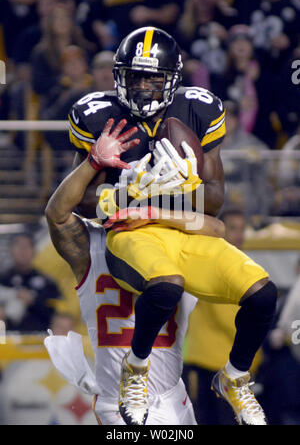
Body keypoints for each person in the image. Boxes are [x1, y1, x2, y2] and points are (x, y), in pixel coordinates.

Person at [68, 27, 277, 426]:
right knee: (166, 286)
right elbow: (82, 200)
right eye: (135, 76)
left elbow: (214, 198)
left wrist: (147, 194)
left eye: (153, 78)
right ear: (118, 76)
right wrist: (121, 183)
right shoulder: (97, 113)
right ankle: (137, 368)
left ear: (173, 80)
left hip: (186, 230)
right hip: (133, 233)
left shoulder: (197, 109)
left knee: (263, 295)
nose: (144, 88)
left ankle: (234, 378)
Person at [44, 133, 226, 425]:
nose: (140, 196)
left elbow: (218, 227)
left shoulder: (176, 241)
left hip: (172, 395)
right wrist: (92, 162)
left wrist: (154, 213)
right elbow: (57, 214)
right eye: (134, 190)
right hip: (120, 400)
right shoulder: (94, 246)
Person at [182, 208, 264, 424]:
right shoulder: (219, 264)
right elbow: (231, 319)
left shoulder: (236, 264)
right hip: (212, 366)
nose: (239, 235)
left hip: (219, 364)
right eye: (233, 229)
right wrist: (260, 349)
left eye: (242, 229)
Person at [0, 233, 61, 332]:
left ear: (34, 251)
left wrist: (33, 301)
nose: (23, 251)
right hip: (7, 340)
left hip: (39, 339)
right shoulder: (3, 279)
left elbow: (57, 313)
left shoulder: (47, 282)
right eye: (19, 246)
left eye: (27, 246)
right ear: (11, 249)